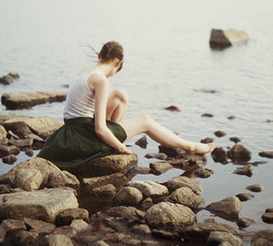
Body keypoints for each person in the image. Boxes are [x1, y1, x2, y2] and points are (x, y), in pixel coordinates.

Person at [37, 41, 214, 174]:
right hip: (81, 136)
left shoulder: (84, 73)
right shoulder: (101, 80)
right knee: (145, 121)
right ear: (118, 63)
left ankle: (114, 140)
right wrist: (121, 149)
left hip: (70, 132)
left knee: (120, 94)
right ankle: (191, 147)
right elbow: (99, 129)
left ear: (100, 56)